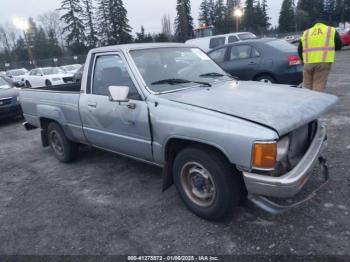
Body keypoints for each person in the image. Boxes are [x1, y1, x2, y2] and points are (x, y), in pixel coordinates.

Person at [298, 20, 342, 91]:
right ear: (325, 24)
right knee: (318, 85)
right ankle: (316, 101)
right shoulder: (331, 30)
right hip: (323, 62)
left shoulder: (306, 33)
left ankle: (306, 101)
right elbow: (339, 45)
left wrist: (304, 61)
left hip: (308, 63)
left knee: (306, 86)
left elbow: (299, 49)